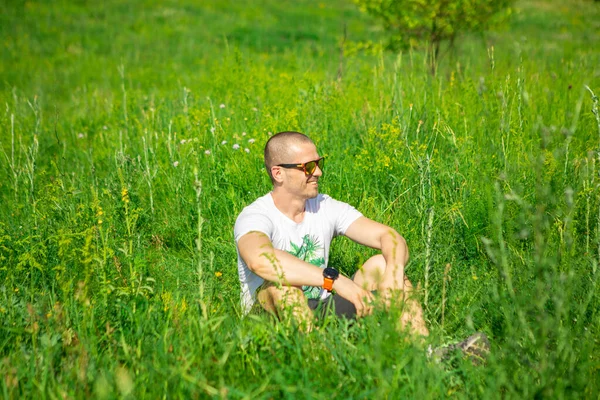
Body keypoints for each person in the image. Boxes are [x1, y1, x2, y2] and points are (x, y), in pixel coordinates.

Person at [234, 131, 429, 335]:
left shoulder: (324, 207)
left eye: (319, 163)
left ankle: (426, 356)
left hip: (320, 310)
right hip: (265, 325)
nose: (318, 172)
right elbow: (259, 259)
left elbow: (389, 236)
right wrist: (335, 280)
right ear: (278, 173)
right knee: (284, 286)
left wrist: (394, 272)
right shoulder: (255, 216)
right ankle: (316, 362)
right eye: (308, 167)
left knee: (383, 264)